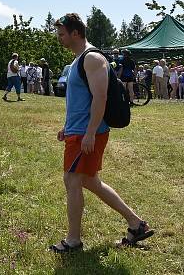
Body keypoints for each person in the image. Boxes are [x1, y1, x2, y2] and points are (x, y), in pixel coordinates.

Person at [51, 13, 152, 253]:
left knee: (72, 180)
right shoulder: (78, 60)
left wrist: (89, 133)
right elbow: (81, 99)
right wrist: (68, 126)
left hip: (87, 133)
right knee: (90, 181)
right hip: (78, 130)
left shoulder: (92, 58)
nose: (59, 38)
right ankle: (136, 224)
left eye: (62, 34)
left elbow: (100, 97)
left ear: (76, 32)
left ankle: (73, 240)